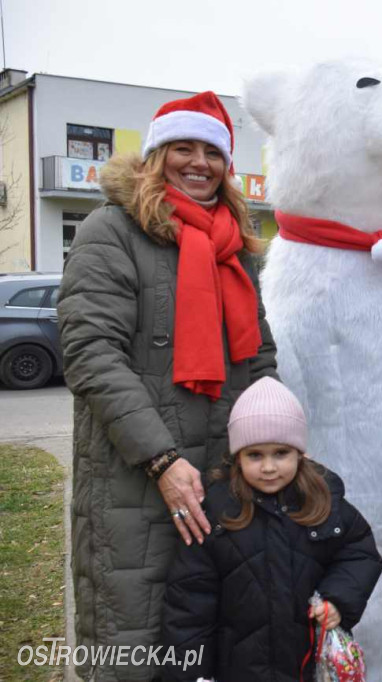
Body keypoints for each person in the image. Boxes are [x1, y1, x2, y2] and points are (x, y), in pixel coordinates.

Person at [58, 91, 278, 681]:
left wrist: (274, 444)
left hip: (223, 474)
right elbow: (91, 354)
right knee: (133, 638)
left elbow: (259, 356)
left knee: (209, 640)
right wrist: (161, 459)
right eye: (184, 148)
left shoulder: (237, 245)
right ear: (157, 154)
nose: (199, 163)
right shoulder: (112, 231)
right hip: (136, 476)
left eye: (213, 152)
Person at [160, 377, 382, 681]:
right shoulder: (216, 511)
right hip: (237, 668)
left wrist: (337, 599)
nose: (268, 467)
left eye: (281, 453)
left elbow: (359, 552)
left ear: (300, 453)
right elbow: (189, 604)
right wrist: (192, 676)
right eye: (255, 455)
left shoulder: (322, 501)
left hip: (306, 668)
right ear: (237, 456)